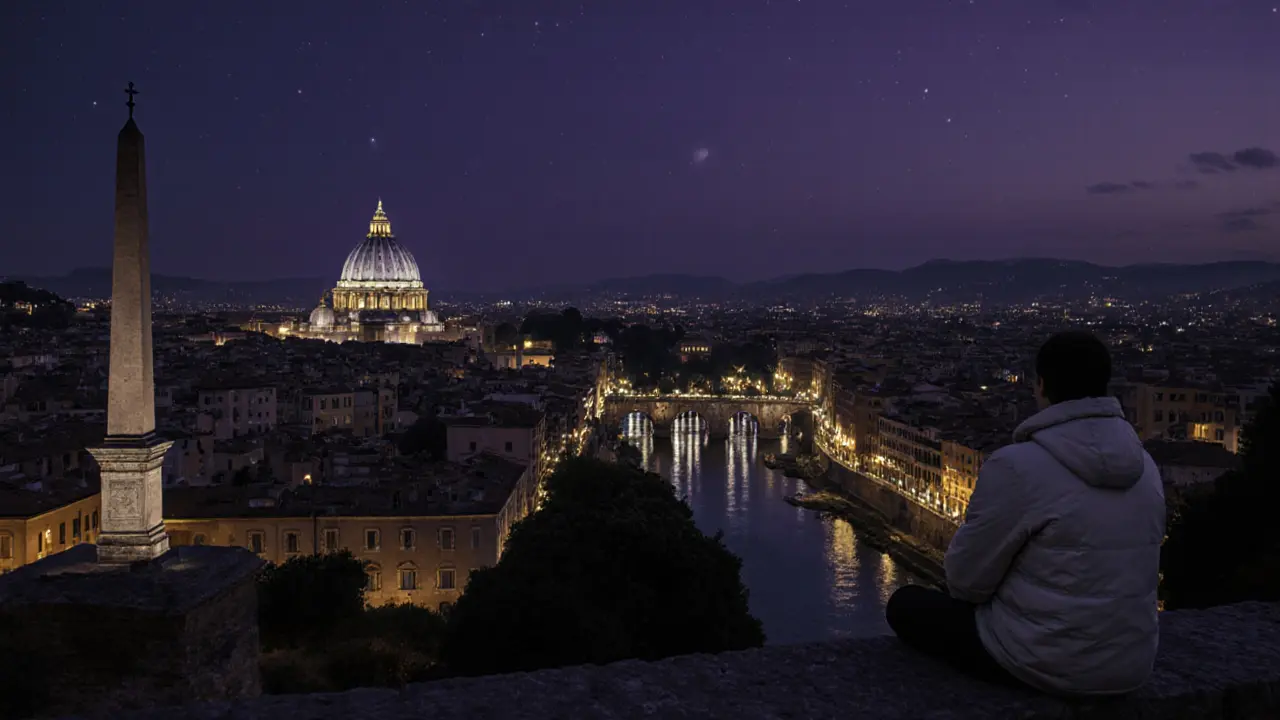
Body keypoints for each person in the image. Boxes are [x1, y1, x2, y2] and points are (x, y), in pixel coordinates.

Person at [885, 331, 1166, 696]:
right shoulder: (1147, 466)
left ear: (1042, 385)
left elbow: (964, 581)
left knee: (904, 604)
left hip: (1040, 662)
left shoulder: (1016, 466)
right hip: (1131, 665)